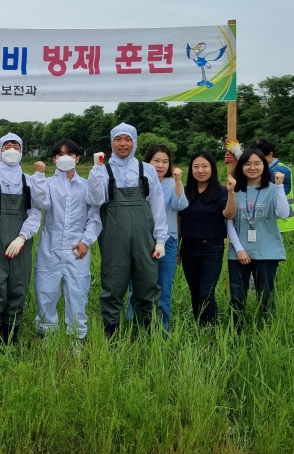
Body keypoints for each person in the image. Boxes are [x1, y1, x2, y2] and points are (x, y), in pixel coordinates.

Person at [87, 123, 168, 337]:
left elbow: (157, 206)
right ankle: (112, 337)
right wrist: (96, 171)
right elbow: (95, 201)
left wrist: (160, 239)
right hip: (114, 239)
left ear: (134, 142)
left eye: (128, 139)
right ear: (111, 142)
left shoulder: (147, 169)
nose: (123, 144)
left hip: (145, 239)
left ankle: (153, 336)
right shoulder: (102, 170)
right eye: (118, 139)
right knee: (112, 286)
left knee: (148, 285)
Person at [0, 132, 47, 346]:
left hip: (20, 241)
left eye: (16, 146)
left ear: (22, 150)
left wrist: (22, 237)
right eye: (6, 146)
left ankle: (11, 338)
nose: (11, 149)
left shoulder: (28, 179)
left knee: (18, 286)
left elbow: (36, 211)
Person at [34, 140, 101, 341]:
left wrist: (86, 240)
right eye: (59, 154)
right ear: (54, 159)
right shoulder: (46, 184)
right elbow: (41, 203)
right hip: (50, 245)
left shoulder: (86, 185)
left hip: (76, 247)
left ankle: (77, 337)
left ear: (77, 158)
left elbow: (95, 215)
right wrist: (38, 176)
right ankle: (47, 333)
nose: (64, 158)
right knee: (46, 290)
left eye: (69, 154)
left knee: (78, 292)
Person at [126, 144, 187, 331]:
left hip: (167, 241)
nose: (161, 165)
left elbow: (181, 205)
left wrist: (178, 182)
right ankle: (133, 327)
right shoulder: (136, 182)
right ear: (147, 162)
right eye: (156, 161)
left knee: (163, 289)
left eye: (165, 161)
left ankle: (162, 330)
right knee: (136, 288)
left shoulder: (171, 183)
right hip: (140, 242)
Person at [226, 149, 289, 331]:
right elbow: (229, 221)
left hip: (267, 251)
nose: (252, 168)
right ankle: (235, 332)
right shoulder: (234, 189)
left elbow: (283, 214)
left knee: (266, 295)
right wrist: (239, 249)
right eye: (247, 164)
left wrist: (279, 186)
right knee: (237, 295)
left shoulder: (272, 188)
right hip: (239, 252)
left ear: (264, 166)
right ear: (241, 166)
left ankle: (268, 332)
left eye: (257, 164)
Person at [177, 151, 237, 326]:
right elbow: (180, 219)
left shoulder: (221, 192)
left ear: (212, 168)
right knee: (195, 292)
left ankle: (212, 330)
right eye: (196, 166)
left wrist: (231, 192)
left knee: (206, 292)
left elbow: (229, 214)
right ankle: (200, 327)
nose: (200, 170)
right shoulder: (187, 192)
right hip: (188, 247)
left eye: (204, 166)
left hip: (212, 248)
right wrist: (177, 247)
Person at [226, 137, 294, 232]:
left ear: (271, 153)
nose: (255, 162)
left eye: (260, 157)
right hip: (262, 222)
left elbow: (262, 177)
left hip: (280, 224)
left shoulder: (281, 170)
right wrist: (236, 160)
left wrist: (239, 155)